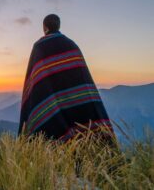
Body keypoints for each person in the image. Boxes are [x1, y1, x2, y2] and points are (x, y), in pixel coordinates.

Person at [19, 14, 114, 142]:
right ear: (59, 26)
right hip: (76, 105)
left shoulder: (39, 47)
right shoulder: (71, 45)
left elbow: (34, 80)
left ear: (45, 27)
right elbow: (83, 78)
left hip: (51, 103)